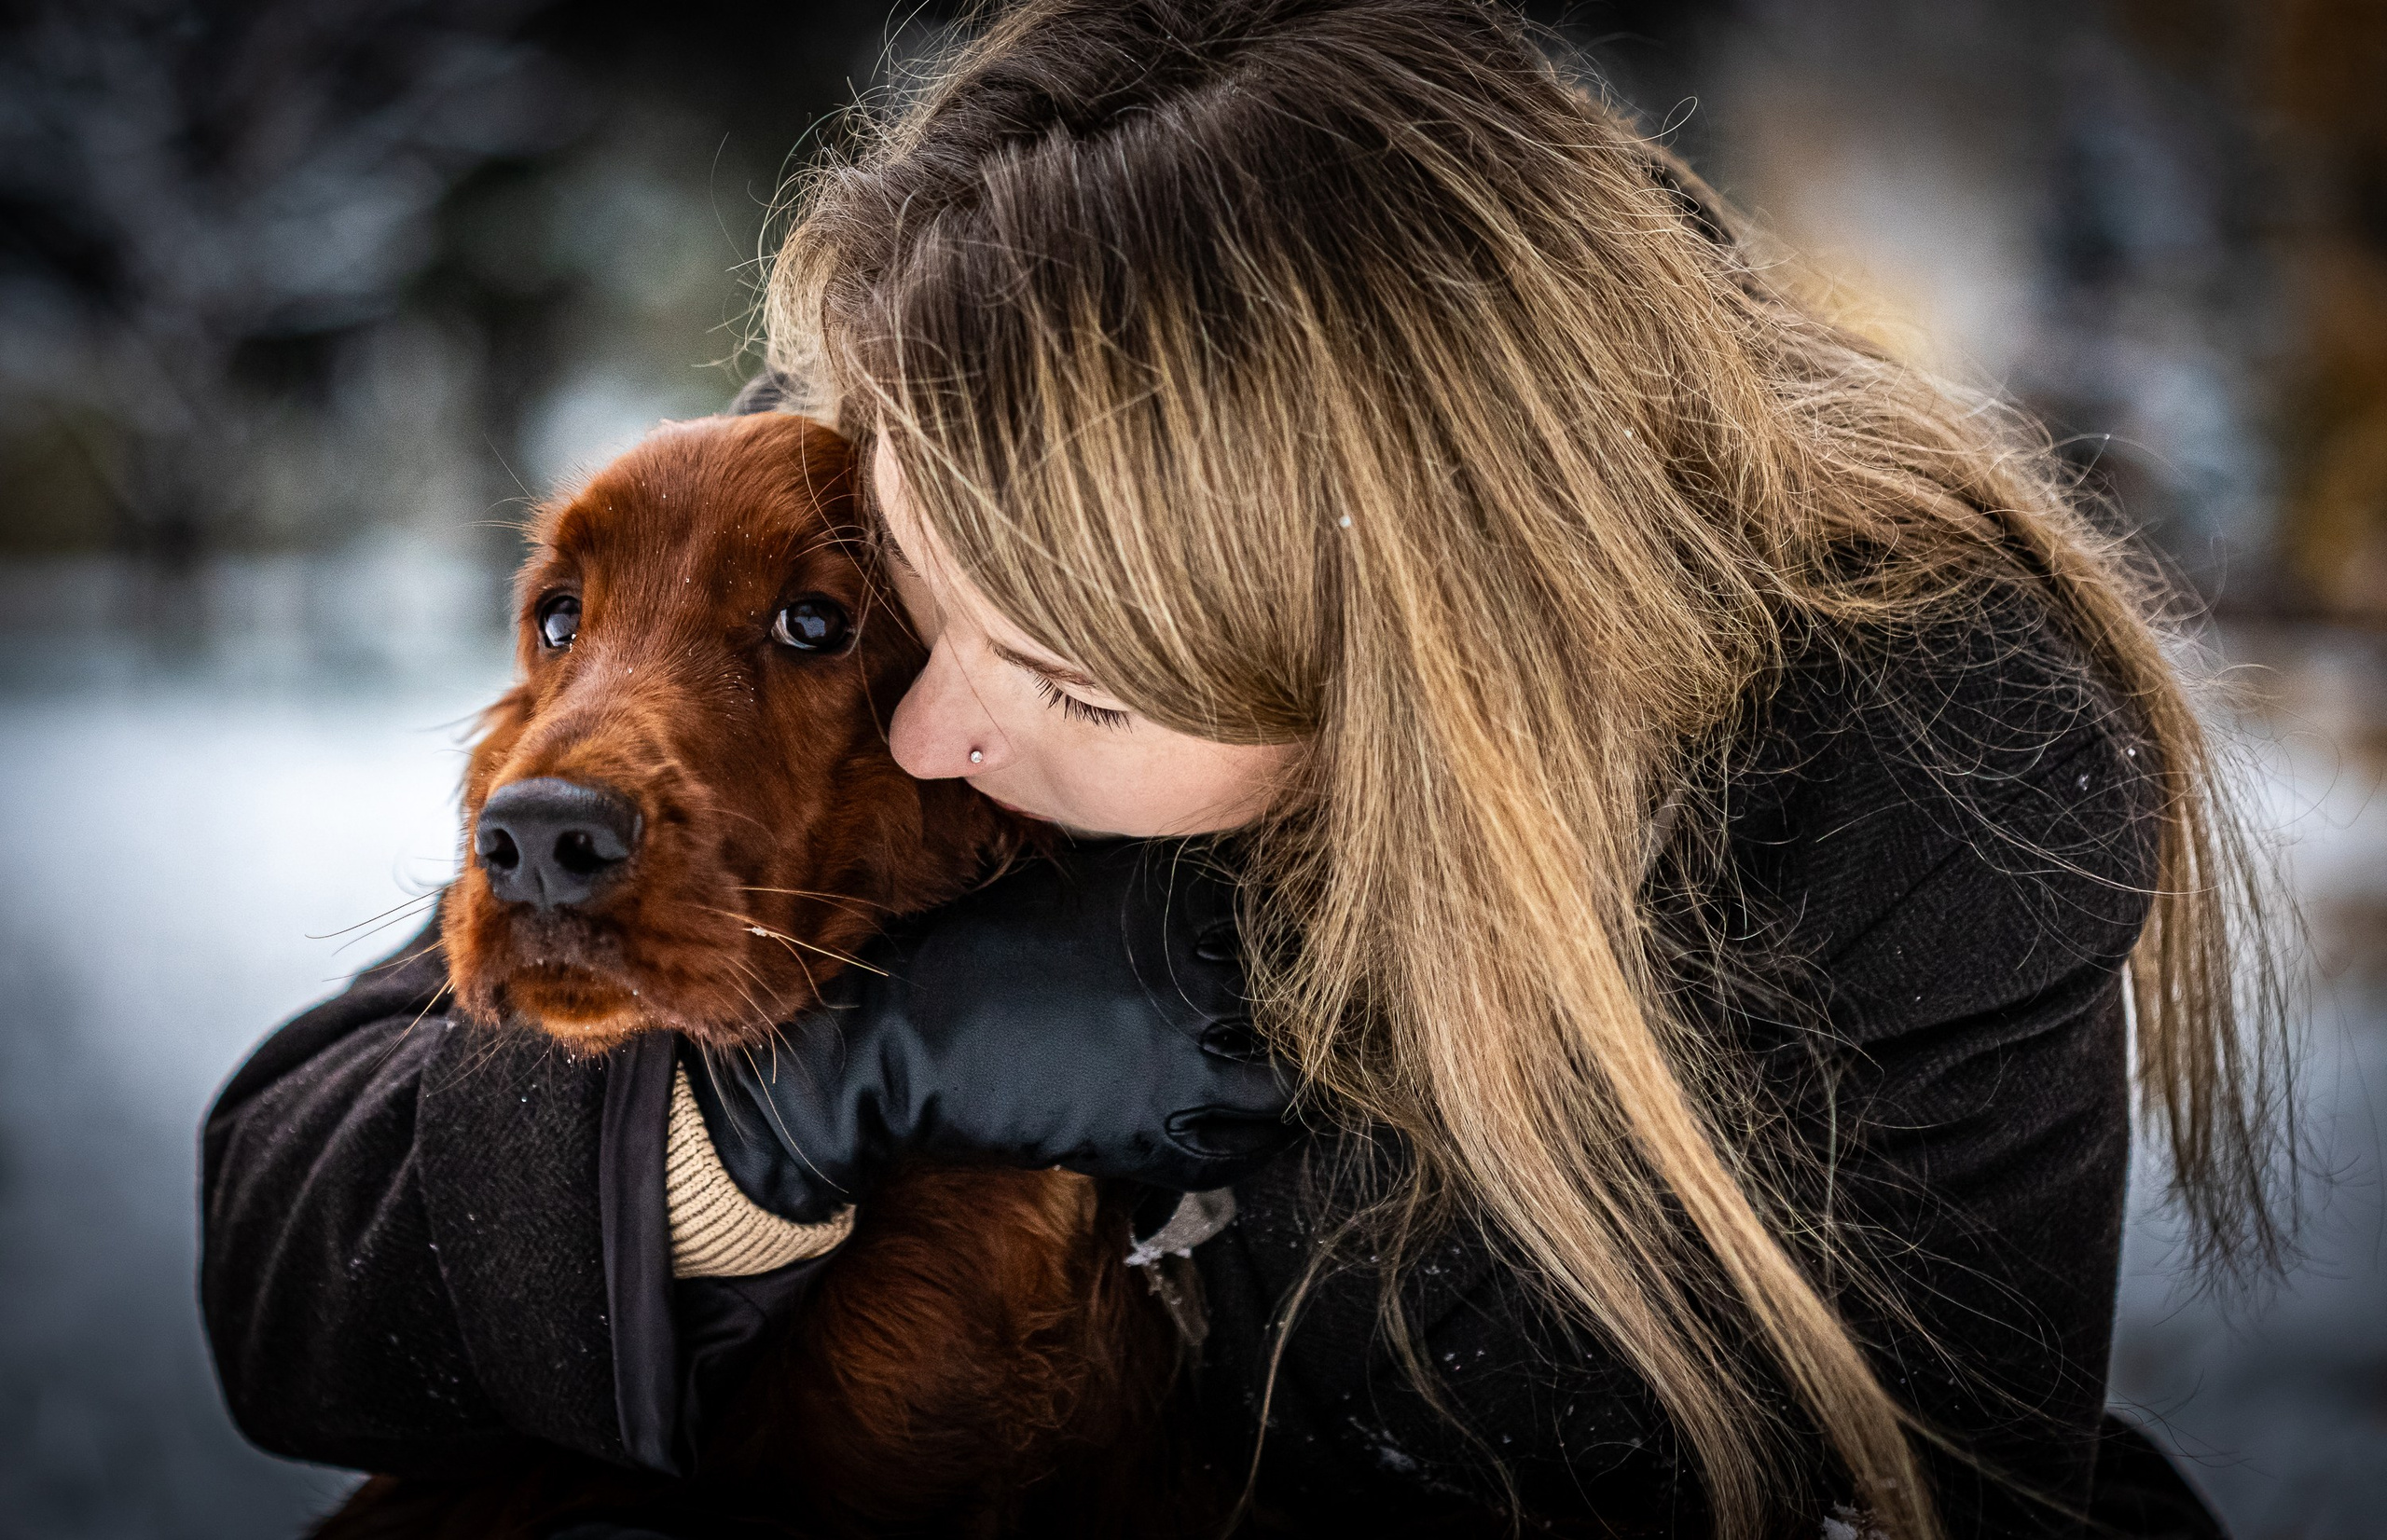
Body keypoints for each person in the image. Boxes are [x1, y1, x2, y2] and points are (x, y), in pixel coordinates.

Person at [202, 2, 2284, 1534]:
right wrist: (794, 1094)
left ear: (1408, 664)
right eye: (910, 608)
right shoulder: (947, 423)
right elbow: (301, 1248)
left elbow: (1947, 1483)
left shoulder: (1922, 787)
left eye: (1061, 684)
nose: (930, 726)